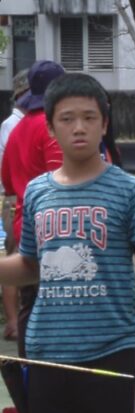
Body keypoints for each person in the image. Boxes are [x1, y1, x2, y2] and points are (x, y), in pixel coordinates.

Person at [0, 72, 135, 413]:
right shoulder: (37, 191)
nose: (79, 127)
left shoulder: (129, 191)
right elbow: (32, 265)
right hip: (47, 352)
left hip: (111, 352)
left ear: (105, 124)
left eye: (89, 117)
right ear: (51, 128)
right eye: (67, 119)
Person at [1, 60, 66, 357]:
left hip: (23, 220)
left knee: (31, 300)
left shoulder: (18, 128)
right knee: (54, 300)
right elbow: (61, 180)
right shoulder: (49, 127)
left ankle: (29, 362)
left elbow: (7, 180)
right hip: (52, 225)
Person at [0, 69, 30, 341]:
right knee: (16, 256)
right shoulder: (12, 125)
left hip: (19, 195)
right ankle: (12, 321)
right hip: (15, 198)